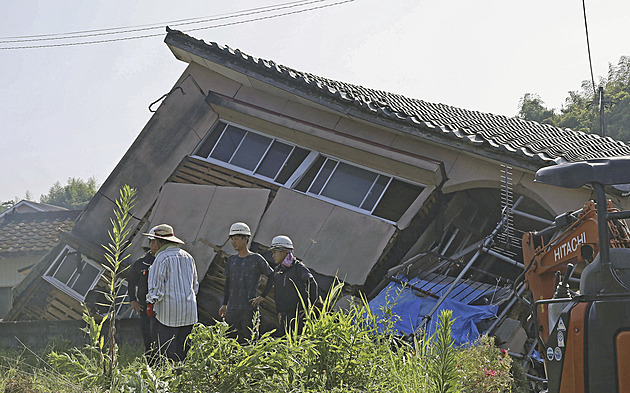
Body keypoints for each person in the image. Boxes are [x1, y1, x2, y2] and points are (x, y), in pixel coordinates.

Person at [144, 224, 199, 362]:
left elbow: (155, 289)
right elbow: (195, 286)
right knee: (184, 351)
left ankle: (169, 380)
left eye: (153, 241)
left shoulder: (162, 258)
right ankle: (183, 378)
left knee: (167, 351)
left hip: (168, 314)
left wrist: (150, 305)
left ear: (161, 242)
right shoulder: (188, 257)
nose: (152, 245)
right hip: (189, 312)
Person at [219, 222, 273, 343]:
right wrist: (224, 304)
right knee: (228, 342)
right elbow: (227, 283)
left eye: (237, 239)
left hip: (249, 309)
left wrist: (262, 296)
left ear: (246, 239)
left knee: (250, 342)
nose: (233, 242)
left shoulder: (256, 259)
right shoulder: (232, 260)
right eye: (232, 239)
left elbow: (272, 275)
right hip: (232, 309)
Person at [254, 235, 318, 335]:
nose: (273, 256)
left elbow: (312, 283)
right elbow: (276, 291)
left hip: (299, 316)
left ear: (284, 252)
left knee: (297, 342)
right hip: (284, 316)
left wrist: (310, 307)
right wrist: (279, 311)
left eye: (274, 252)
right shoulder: (278, 270)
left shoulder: (298, 268)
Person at [126, 250, 155, 358]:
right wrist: (133, 300)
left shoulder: (162, 260)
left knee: (161, 336)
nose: (155, 246)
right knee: (147, 337)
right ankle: (150, 365)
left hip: (161, 306)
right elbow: (131, 283)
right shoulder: (141, 263)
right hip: (144, 306)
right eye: (153, 243)